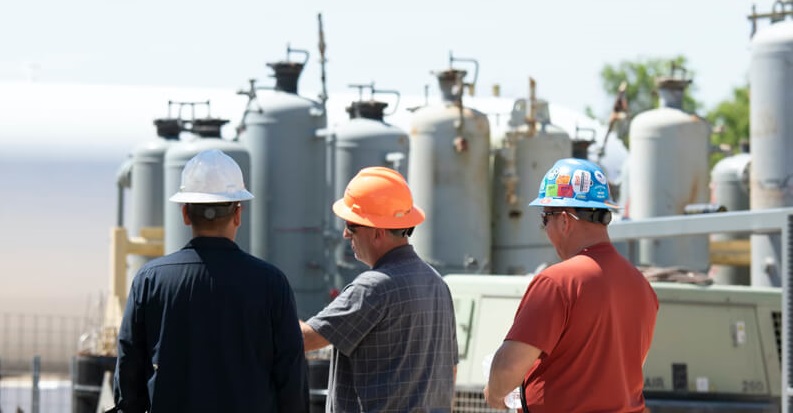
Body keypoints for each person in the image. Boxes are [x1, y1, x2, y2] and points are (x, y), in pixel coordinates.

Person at [113, 149, 308, 413]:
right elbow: (291, 379)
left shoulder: (150, 280)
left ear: (185, 213)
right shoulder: (272, 284)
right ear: (238, 214)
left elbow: (129, 371)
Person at [484, 158, 658, 413]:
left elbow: (508, 368)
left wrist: (495, 392)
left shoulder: (557, 282)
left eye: (545, 219)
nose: (545, 229)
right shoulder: (641, 286)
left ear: (565, 221)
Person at [300, 166, 458, 412]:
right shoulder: (437, 283)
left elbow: (303, 339)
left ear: (378, 233)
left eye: (351, 225)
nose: (345, 234)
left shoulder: (374, 286)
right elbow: (451, 369)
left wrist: (264, 301)